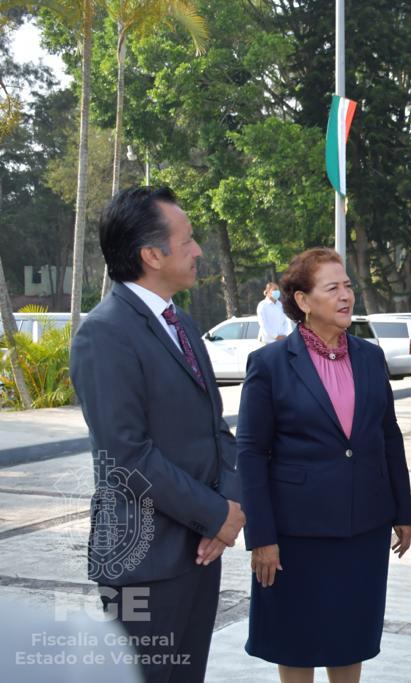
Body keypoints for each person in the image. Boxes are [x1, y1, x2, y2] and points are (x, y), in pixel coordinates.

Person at [70, 186, 245, 683]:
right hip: (143, 561)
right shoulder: (104, 334)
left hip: (198, 551)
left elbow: (217, 430)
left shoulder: (183, 324)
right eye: (187, 241)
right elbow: (126, 455)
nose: (198, 251)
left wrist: (228, 508)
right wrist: (213, 514)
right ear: (151, 255)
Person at [237, 248, 411, 683]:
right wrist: (261, 537)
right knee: (296, 641)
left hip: (364, 527)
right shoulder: (270, 365)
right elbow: (251, 454)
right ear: (302, 301)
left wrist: (402, 511)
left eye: (348, 285)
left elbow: (387, 437)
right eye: (332, 288)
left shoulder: (371, 358)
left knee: (350, 636)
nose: (346, 296)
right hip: (297, 534)